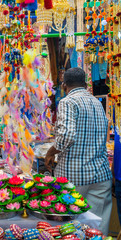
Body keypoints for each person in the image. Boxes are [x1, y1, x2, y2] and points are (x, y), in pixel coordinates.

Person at [45, 67, 112, 235]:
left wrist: (50, 152)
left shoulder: (68, 102)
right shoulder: (97, 102)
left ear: (64, 85)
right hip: (101, 173)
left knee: (70, 225)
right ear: (86, 84)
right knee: (97, 224)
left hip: (75, 175)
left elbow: (66, 135)